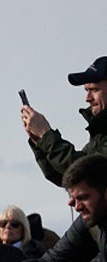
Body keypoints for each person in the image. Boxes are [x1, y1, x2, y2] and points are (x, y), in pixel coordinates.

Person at [23, 56, 107, 187]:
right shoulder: (100, 134)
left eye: (94, 89)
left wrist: (46, 135)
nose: (87, 98)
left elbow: (86, 174)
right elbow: (66, 177)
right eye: (86, 90)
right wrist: (39, 142)